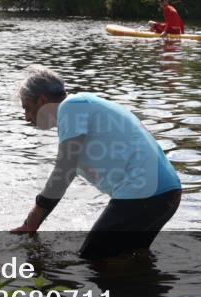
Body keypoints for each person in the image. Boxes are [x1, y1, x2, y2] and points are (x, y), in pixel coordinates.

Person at [11, 65, 182, 259]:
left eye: (27, 108)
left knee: (93, 259)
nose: (26, 117)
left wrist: (30, 223)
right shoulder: (82, 109)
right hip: (166, 193)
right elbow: (64, 177)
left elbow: (63, 171)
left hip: (143, 195)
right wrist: (34, 223)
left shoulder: (71, 107)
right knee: (129, 258)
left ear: (42, 100)